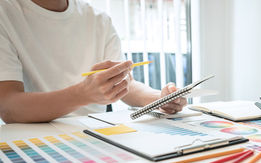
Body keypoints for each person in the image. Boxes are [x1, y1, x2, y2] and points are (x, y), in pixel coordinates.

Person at [0, 0, 186, 123]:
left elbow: (125, 85)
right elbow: (8, 107)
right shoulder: (5, 14)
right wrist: (82, 94)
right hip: (34, 140)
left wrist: (159, 99)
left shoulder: (99, 20)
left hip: (95, 135)